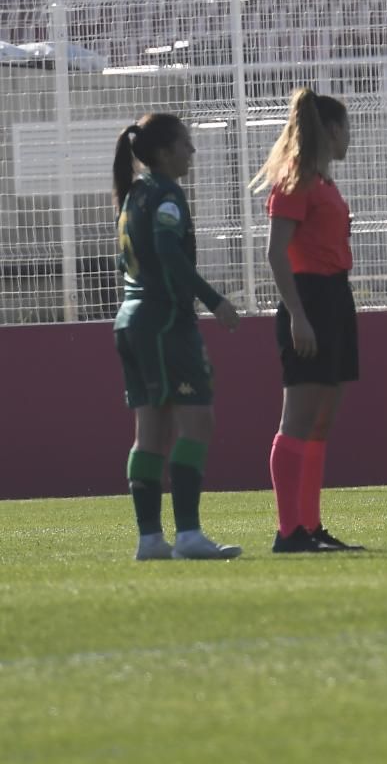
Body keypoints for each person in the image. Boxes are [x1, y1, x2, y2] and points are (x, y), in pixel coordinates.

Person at [112, 113, 242, 561]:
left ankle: (150, 539)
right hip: (165, 321)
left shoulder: (135, 194)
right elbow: (167, 252)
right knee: (197, 421)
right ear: (165, 152)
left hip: (131, 319)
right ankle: (188, 534)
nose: (192, 151)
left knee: (151, 430)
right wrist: (213, 300)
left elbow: (129, 260)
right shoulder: (166, 193)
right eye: (186, 143)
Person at [251, 88, 363, 554]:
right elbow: (277, 254)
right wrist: (297, 315)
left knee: (321, 421)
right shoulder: (294, 182)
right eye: (346, 129)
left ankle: (310, 526)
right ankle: (288, 530)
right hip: (309, 298)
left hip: (335, 296)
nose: (349, 138)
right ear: (331, 129)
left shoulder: (324, 183)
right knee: (296, 419)